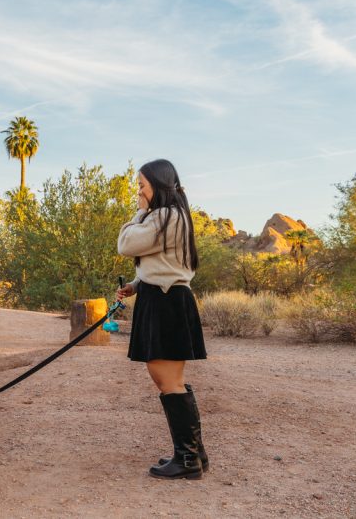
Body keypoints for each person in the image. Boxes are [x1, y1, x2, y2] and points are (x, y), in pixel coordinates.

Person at [116, 159, 208, 480]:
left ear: (159, 183)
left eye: (142, 185)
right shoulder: (171, 217)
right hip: (163, 296)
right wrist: (136, 285)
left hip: (166, 301)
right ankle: (193, 452)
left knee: (166, 377)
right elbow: (166, 263)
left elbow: (125, 243)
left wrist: (139, 212)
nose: (139, 192)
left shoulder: (165, 216)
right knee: (168, 378)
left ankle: (188, 459)